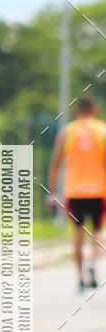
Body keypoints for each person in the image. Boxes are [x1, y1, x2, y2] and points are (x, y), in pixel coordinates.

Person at [47, 96, 106, 291]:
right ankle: (93, 263)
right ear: (94, 110)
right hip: (99, 191)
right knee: (97, 231)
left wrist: (52, 191)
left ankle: (80, 276)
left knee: (78, 233)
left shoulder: (67, 132)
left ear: (77, 111)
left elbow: (56, 162)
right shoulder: (102, 131)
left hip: (74, 192)